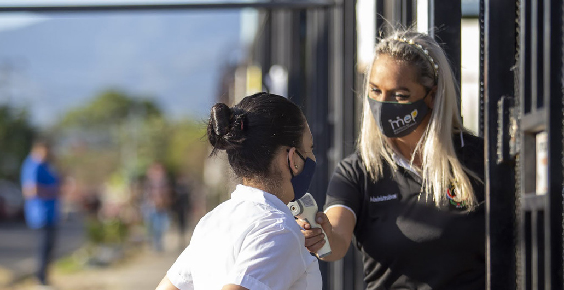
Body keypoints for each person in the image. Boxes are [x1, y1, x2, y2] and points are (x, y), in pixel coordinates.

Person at [300, 30, 486, 289]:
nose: (382, 104)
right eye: (375, 91)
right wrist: (321, 235)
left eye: (399, 96)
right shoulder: (358, 171)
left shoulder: (477, 158)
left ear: (431, 96)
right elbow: (336, 241)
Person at [156, 92, 322, 290]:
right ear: (293, 159)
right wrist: (286, 241)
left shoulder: (213, 220)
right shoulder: (278, 229)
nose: (312, 156)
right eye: (309, 148)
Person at [20, 139, 61, 287]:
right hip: (40, 215)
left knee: (49, 249)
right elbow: (30, 190)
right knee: (42, 249)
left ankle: (45, 279)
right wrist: (52, 191)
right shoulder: (33, 165)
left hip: (51, 214)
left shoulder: (47, 165)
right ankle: (40, 280)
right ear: (38, 149)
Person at [142, 162, 173, 252]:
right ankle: (155, 244)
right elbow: (145, 195)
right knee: (152, 227)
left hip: (162, 207)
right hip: (151, 207)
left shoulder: (165, 182)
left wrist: (164, 201)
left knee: (161, 226)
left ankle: (158, 244)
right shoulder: (149, 183)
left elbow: (169, 194)